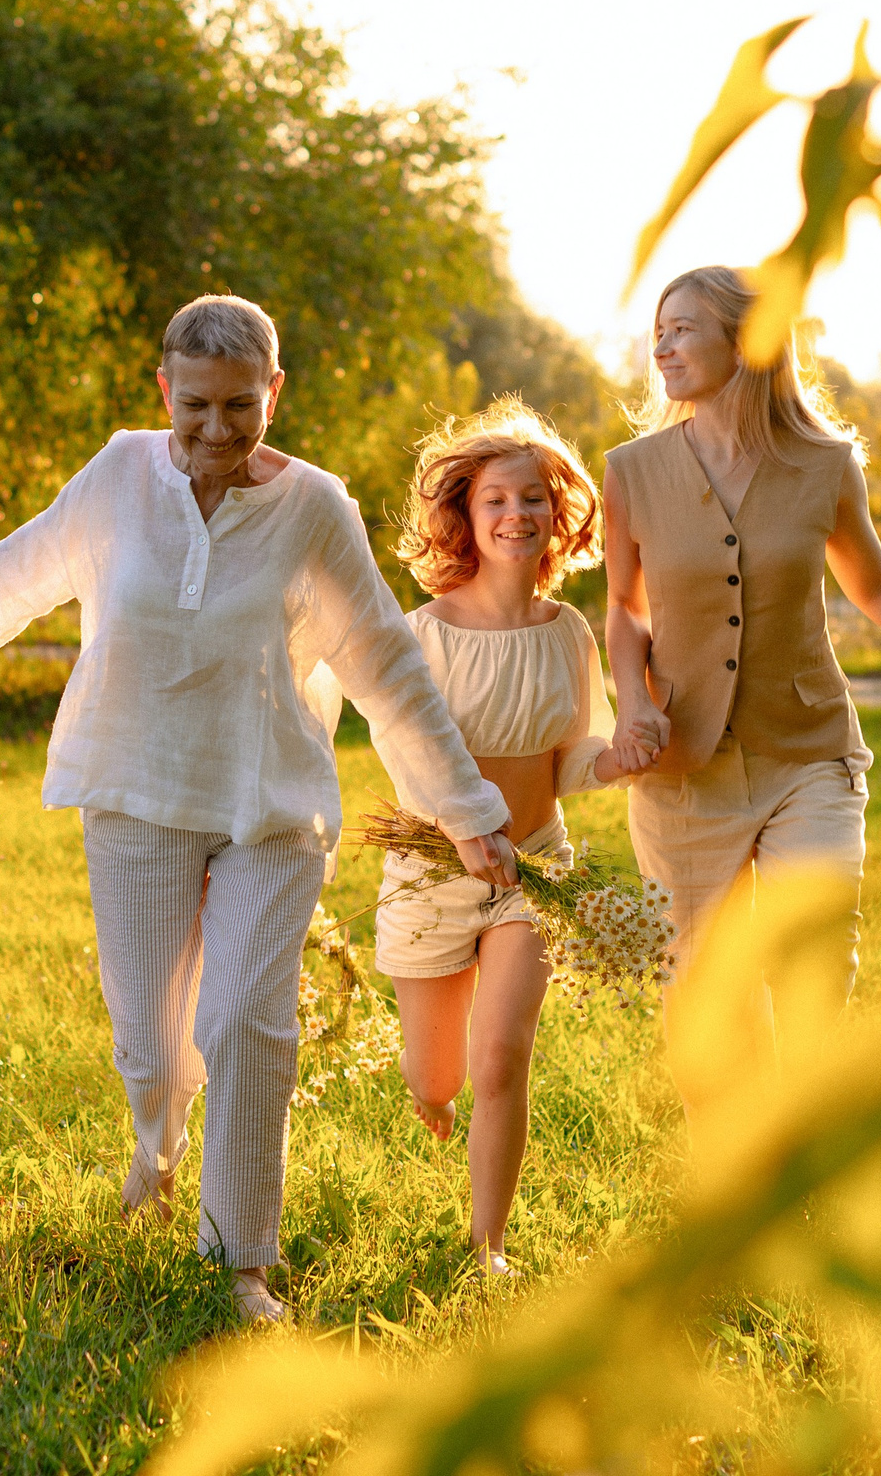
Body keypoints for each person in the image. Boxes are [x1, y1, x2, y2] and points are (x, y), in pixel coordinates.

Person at [0, 294, 515, 1322]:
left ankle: (241, 1258)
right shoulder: (119, 475)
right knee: (147, 1037)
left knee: (245, 1021)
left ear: (274, 391)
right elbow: (21, 571)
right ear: (163, 389)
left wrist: (467, 808)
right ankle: (156, 1143)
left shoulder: (314, 505)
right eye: (196, 407)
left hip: (270, 799)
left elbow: (385, 665)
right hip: (135, 787)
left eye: (240, 407)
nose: (217, 431)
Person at [600, 267, 881, 1094]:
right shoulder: (631, 470)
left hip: (808, 753)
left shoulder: (825, 463)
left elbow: (874, 586)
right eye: (658, 330)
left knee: (814, 968)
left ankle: (800, 1145)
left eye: (683, 328)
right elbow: (624, 611)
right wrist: (633, 703)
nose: (661, 345)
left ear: (749, 342)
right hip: (686, 768)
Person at [318, 395, 627, 1277]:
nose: (516, 514)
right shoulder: (422, 634)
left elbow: (576, 752)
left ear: (556, 515)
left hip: (535, 868)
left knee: (503, 1056)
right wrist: (463, 830)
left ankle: (488, 1244)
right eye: (496, 498)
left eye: (533, 498)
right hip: (430, 871)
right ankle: (433, 1094)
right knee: (439, 1076)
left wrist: (622, 757)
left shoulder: (568, 633)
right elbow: (405, 750)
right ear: (466, 512)